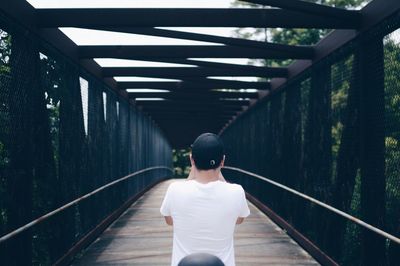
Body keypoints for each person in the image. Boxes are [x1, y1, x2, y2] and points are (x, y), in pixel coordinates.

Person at [160, 133, 250, 266]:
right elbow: (238, 219)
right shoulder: (236, 192)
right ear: (223, 161)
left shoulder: (175, 190)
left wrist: (190, 178)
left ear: (192, 160)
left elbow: (170, 220)